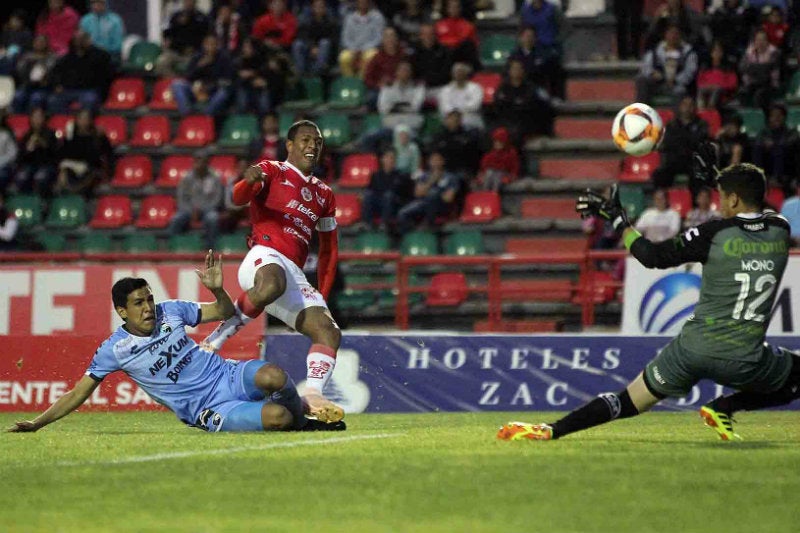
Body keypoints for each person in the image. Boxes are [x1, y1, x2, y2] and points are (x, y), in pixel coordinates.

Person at [499, 159, 800, 442]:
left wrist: (619, 222)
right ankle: (724, 407)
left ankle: (551, 430)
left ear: (733, 199)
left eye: (722, 197)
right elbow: (759, 208)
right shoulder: (780, 229)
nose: (719, 204)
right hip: (745, 359)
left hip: (691, 350)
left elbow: (652, 257)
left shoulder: (714, 233)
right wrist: (720, 178)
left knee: (627, 401)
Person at [7, 252, 345, 433]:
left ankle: (304, 417)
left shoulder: (172, 311)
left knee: (275, 376)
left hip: (223, 375)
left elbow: (225, 311)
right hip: (207, 408)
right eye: (138, 303)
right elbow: (77, 393)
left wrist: (216, 289)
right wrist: (38, 423)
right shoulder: (114, 350)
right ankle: (297, 419)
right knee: (276, 419)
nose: (148, 308)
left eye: (149, 299)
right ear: (122, 311)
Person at [202, 120, 344, 422]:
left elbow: (329, 250)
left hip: (292, 273)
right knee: (273, 282)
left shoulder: (324, 194)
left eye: (317, 142)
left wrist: (323, 296)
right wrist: (246, 181)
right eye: (305, 140)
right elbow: (238, 199)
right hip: (263, 257)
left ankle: (312, 394)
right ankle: (213, 341)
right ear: (289, 145)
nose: (312, 146)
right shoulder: (272, 170)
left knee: (328, 331)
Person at [168, 152, 224, 249]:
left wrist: (201, 210)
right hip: (189, 210)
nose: (200, 164)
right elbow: (181, 199)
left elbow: (217, 199)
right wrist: (191, 210)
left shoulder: (214, 178)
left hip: (208, 210)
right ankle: (174, 247)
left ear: (207, 163)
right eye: (197, 161)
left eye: (202, 162)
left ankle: (210, 248)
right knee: (176, 219)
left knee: (212, 218)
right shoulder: (186, 178)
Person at [14, 107, 58, 196]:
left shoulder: (50, 134)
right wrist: (28, 149)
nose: (37, 120)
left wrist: (43, 145)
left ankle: (43, 202)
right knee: (21, 177)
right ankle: (25, 201)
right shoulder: (27, 135)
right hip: (30, 166)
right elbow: (20, 158)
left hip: (46, 165)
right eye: (35, 117)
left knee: (40, 177)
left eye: (39, 117)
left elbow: (55, 156)